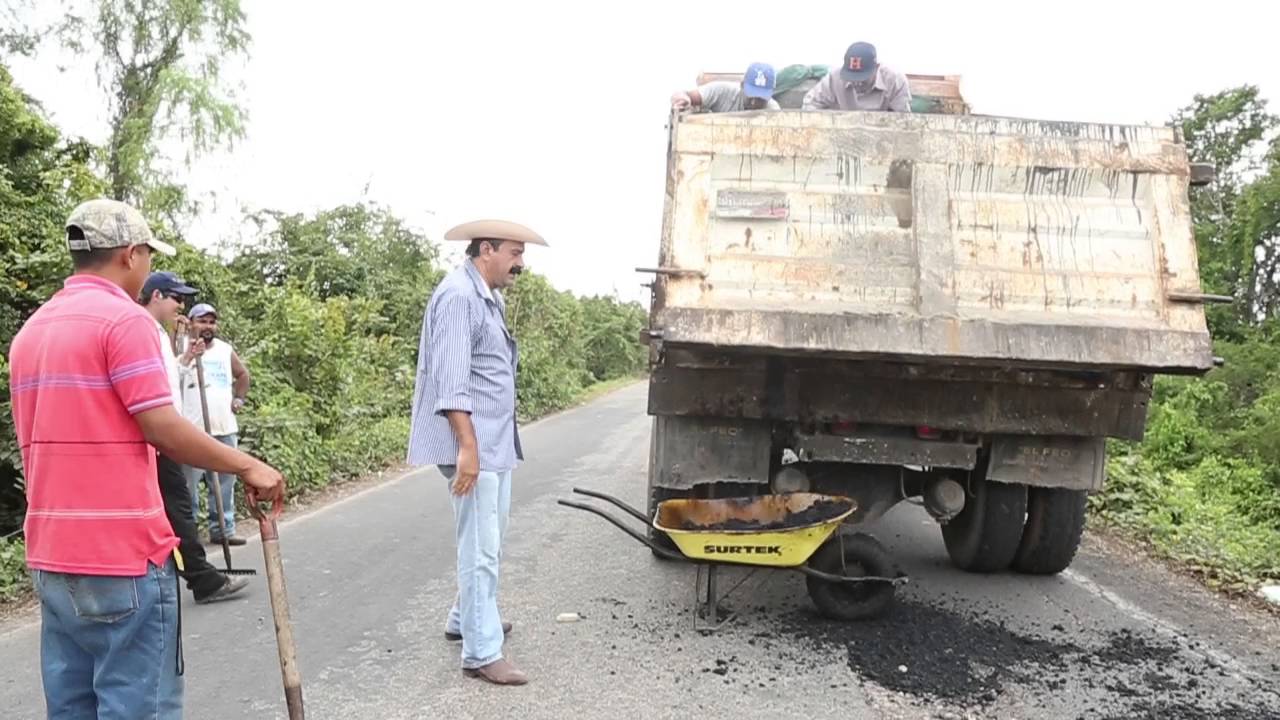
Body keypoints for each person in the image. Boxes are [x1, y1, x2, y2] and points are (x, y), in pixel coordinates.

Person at [9, 198, 285, 718]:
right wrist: (247, 464)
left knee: (71, 710)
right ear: (130, 254)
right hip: (121, 557)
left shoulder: (32, 331)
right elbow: (162, 428)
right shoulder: (124, 322)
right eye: (147, 256)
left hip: (52, 556)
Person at [407, 218, 548, 686]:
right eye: (515, 253)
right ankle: (481, 651)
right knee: (480, 547)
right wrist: (467, 447)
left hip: (493, 441)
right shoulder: (458, 297)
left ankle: (463, 617)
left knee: (491, 535)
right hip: (473, 443)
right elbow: (451, 381)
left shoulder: (488, 296)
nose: (520, 263)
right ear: (486, 249)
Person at [139, 271, 251, 604]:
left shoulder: (156, 332)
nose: (181, 306)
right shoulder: (142, 329)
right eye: (177, 298)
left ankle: (195, 575)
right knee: (179, 506)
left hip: (169, 434)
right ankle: (201, 579)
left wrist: (187, 359)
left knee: (176, 507)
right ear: (157, 296)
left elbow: (166, 376)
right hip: (161, 436)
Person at [180, 302, 251, 545]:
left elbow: (243, 375)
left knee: (224, 483)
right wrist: (188, 354)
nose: (207, 326)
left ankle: (223, 529)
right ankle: (189, 535)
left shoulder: (224, 349)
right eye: (202, 321)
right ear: (191, 323)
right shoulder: (180, 347)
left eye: (211, 322)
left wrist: (239, 399)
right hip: (192, 429)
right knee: (188, 486)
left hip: (224, 426)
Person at [802, 41, 912, 112]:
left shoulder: (895, 81)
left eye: (862, 78)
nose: (857, 83)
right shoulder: (835, 78)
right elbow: (810, 104)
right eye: (852, 77)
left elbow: (902, 120)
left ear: (877, 67)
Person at [671, 62, 781, 112]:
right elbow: (683, 95)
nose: (753, 103)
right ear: (742, 85)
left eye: (760, 99)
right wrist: (683, 99)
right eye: (751, 95)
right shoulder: (721, 92)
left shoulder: (774, 112)